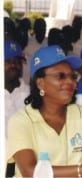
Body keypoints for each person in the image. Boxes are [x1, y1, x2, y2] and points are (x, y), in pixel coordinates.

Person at [6, 45, 82, 177]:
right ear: (40, 83)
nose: (70, 82)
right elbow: (30, 172)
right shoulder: (21, 120)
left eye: (73, 76)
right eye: (60, 76)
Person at [4, 40, 30, 177]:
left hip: (24, 166)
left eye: (17, 61)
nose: (13, 65)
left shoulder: (33, 95)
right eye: (7, 61)